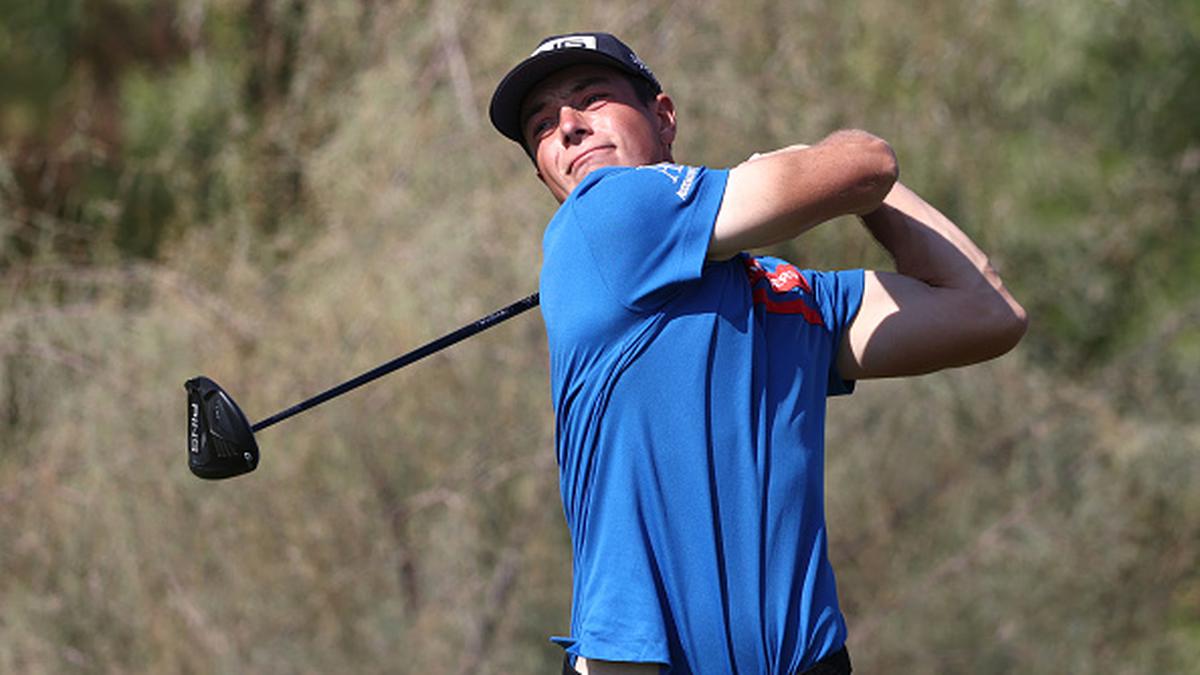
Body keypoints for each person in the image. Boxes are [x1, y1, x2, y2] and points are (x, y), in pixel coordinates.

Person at [488, 32, 1027, 675]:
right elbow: (865, 163)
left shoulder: (784, 296)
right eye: (543, 126)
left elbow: (987, 311)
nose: (569, 128)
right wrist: (812, 158)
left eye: (593, 99)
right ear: (547, 173)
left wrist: (846, 177)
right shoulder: (604, 209)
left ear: (664, 118)